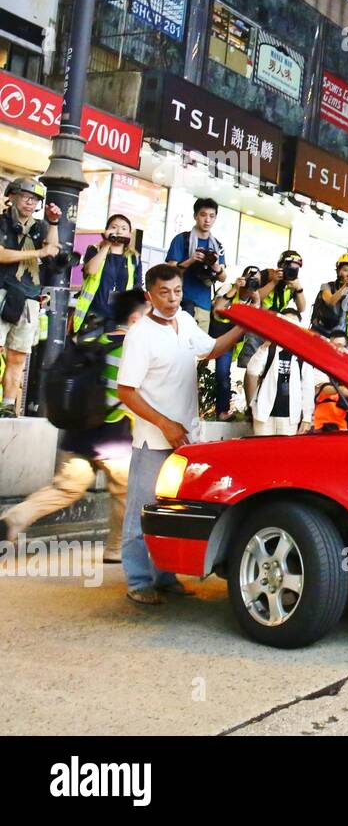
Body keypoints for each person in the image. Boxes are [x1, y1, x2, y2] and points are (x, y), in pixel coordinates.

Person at [115, 264, 245, 605]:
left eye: (177, 291)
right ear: (149, 296)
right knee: (142, 511)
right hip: (153, 440)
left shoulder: (186, 322)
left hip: (186, 441)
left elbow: (213, 349)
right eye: (164, 293)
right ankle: (139, 580)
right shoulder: (140, 334)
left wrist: (243, 327)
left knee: (172, 511)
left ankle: (166, 575)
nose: (172, 299)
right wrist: (164, 423)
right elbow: (126, 391)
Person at [0, 289, 147, 561]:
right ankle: (115, 549)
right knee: (125, 492)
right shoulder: (133, 348)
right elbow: (133, 395)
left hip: (79, 430)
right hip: (114, 436)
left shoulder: (97, 339)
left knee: (65, 488)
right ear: (136, 319)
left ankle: (15, 519)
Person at [0, 178, 62, 416]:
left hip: (29, 298)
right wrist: (39, 252)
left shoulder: (41, 227)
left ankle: (7, 405)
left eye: (34, 199)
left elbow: (53, 251)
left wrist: (54, 222)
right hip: (2, 290)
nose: (30, 202)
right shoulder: (2, 222)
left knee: (18, 356)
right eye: (25, 196)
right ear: (12, 196)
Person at [246, 308, 318, 436]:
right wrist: (265, 346)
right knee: (262, 452)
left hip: (290, 417)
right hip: (264, 414)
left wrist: (307, 418)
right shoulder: (270, 349)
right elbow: (252, 370)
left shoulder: (303, 356)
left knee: (285, 454)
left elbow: (307, 388)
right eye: (285, 323)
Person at [164, 197, 226, 331]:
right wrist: (191, 260)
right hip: (180, 302)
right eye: (203, 215)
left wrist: (215, 267)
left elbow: (223, 278)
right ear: (195, 216)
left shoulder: (217, 246)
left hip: (204, 305)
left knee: (199, 350)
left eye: (212, 216)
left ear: (215, 218)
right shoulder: (182, 239)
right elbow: (168, 272)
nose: (207, 220)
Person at [73, 213, 140, 334]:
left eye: (124, 229)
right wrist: (107, 244)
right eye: (114, 227)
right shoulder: (94, 249)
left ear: (129, 234)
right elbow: (91, 270)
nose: (119, 231)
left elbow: (137, 287)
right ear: (106, 231)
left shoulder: (133, 257)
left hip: (119, 319)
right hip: (94, 314)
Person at [210, 268, 260, 420]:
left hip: (230, 342)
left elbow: (253, 319)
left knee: (223, 375)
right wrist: (235, 288)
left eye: (256, 280)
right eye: (251, 278)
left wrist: (257, 299)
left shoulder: (253, 298)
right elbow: (217, 309)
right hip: (214, 335)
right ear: (243, 277)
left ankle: (222, 412)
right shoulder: (229, 287)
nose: (252, 282)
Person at [312, 253, 348, 336]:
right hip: (319, 331)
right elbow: (331, 301)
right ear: (338, 270)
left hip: (338, 335)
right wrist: (345, 286)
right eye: (345, 270)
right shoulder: (326, 286)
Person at [256, 249, 307, 315]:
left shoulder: (294, 283)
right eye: (289, 267)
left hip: (277, 319)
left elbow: (302, 309)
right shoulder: (268, 274)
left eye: (296, 269)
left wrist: (299, 289)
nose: (292, 271)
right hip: (259, 316)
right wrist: (273, 282)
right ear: (280, 265)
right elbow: (255, 298)